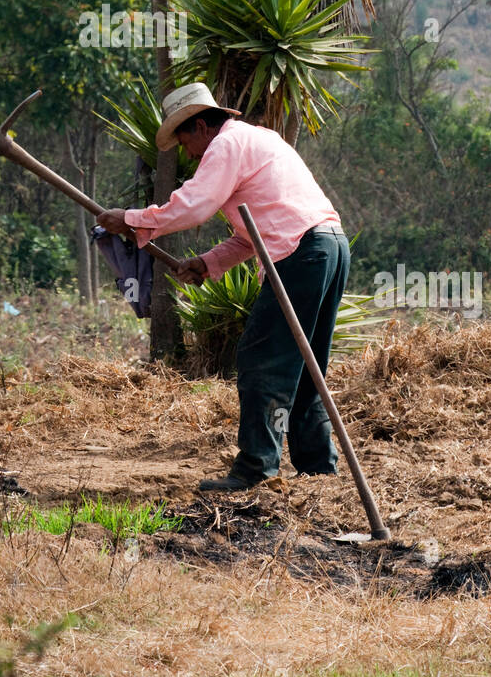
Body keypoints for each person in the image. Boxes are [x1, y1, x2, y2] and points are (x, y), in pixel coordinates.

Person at [99, 82, 350, 491]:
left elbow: (195, 205)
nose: (189, 154)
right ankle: (317, 469)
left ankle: (255, 470)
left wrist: (131, 219)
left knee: (260, 359)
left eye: (185, 141)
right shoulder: (258, 140)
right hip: (328, 246)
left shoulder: (225, 146)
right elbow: (251, 234)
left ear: (200, 126)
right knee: (306, 364)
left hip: (301, 253)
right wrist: (208, 263)